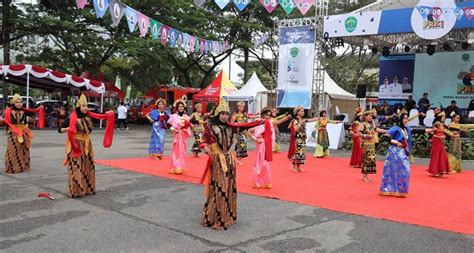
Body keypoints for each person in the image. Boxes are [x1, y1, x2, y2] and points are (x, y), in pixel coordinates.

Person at [200, 100, 264, 230]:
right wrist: (208, 150)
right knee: (219, 188)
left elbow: (247, 125)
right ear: (218, 114)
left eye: (226, 114)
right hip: (217, 161)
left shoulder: (231, 127)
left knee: (229, 188)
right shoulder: (210, 127)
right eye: (222, 113)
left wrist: (261, 121)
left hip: (229, 159)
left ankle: (226, 216)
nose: (224, 116)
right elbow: (203, 141)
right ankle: (216, 218)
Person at [58, 94, 115, 197]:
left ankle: (88, 188)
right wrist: (68, 129)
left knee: (88, 166)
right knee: (76, 166)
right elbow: (60, 129)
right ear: (78, 106)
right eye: (83, 106)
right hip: (75, 144)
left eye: (86, 106)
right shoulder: (71, 117)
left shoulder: (89, 116)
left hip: (87, 144)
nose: (85, 108)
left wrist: (109, 115)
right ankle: (75, 191)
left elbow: (102, 117)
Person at [250, 107, 291, 189]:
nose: (267, 116)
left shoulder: (270, 122)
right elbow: (249, 131)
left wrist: (287, 117)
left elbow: (279, 121)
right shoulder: (258, 122)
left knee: (265, 163)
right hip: (261, 145)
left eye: (269, 115)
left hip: (267, 145)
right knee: (259, 163)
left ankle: (265, 181)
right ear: (262, 115)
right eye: (266, 115)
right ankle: (258, 181)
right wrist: (255, 139)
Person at [3, 94, 45, 174]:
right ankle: (13, 167)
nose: (19, 104)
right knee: (13, 150)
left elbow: (34, 111)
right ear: (13, 103)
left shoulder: (24, 110)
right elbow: (4, 121)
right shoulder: (8, 111)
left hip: (23, 132)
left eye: (20, 102)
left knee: (24, 149)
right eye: (17, 102)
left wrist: (40, 108)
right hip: (13, 133)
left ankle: (23, 166)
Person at [380, 113, 412, 197]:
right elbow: (385, 137)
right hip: (394, 152)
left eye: (407, 118)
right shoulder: (395, 128)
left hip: (403, 152)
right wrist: (396, 142)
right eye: (404, 118)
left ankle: (400, 190)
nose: (406, 120)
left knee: (405, 170)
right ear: (400, 119)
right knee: (391, 170)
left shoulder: (407, 129)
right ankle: (388, 189)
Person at [359, 110, 387, 182]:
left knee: (371, 160)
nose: (371, 117)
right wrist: (366, 136)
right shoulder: (363, 124)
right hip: (366, 143)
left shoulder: (371, 124)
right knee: (367, 159)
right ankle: (364, 176)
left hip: (371, 143)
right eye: (370, 115)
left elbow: (378, 129)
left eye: (371, 116)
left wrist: (387, 131)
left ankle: (366, 175)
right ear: (365, 116)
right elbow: (359, 133)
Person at [287, 106, 319, 172]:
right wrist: (300, 123)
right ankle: (293, 166)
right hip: (297, 137)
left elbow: (310, 120)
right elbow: (295, 129)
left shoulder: (302, 119)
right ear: (297, 112)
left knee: (301, 152)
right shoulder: (295, 120)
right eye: (301, 111)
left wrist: (317, 118)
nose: (303, 112)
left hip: (302, 137)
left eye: (303, 111)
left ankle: (298, 166)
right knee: (297, 152)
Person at [167, 97, 191, 174]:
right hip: (177, 136)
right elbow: (170, 126)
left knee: (182, 152)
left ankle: (181, 166)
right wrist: (173, 129)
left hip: (183, 137)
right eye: (179, 107)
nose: (181, 108)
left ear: (184, 107)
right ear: (177, 108)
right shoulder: (173, 116)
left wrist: (185, 130)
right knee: (176, 152)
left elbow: (188, 127)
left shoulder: (186, 117)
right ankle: (176, 167)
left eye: (182, 106)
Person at [425, 111, 450, 177]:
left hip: (441, 146)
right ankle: (435, 171)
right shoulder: (435, 130)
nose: (442, 126)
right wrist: (440, 136)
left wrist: (443, 137)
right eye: (441, 126)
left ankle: (441, 170)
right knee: (436, 158)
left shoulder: (442, 131)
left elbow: (444, 137)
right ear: (438, 126)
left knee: (442, 158)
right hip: (436, 146)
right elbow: (433, 136)